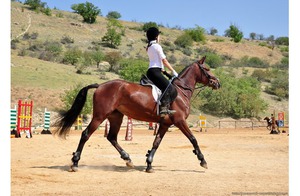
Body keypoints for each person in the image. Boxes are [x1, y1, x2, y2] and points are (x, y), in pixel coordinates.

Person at [145, 27, 178, 117]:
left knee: (163, 88)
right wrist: (173, 71)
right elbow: (164, 61)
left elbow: (157, 63)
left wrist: (167, 74)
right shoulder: (157, 46)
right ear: (156, 37)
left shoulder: (149, 47)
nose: (160, 37)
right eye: (159, 36)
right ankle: (163, 109)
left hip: (151, 71)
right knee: (169, 88)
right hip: (155, 71)